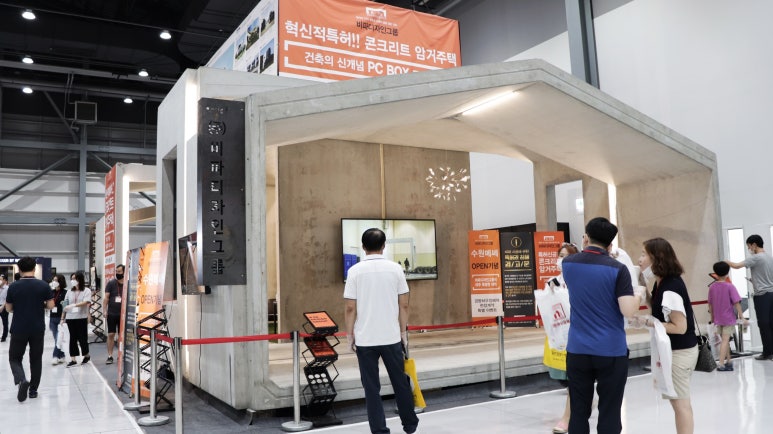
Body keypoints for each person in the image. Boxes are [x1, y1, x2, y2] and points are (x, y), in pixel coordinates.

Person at [561, 217, 642, 434]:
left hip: (578, 348)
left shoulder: (568, 264)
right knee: (610, 412)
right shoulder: (618, 269)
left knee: (579, 411)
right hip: (610, 350)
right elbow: (627, 310)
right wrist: (638, 295)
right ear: (611, 244)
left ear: (586, 238)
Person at [344, 228, 419, 434]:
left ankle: (379, 430)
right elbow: (404, 305)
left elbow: (350, 307)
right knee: (400, 382)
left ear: (363, 247)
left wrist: (349, 336)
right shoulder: (396, 269)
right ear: (384, 246)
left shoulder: (354, 271)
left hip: (365, 340)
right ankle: (410, 425)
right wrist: (402, 333)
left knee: (371, 388)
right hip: (391, 337)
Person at [638, 237, 698, 434]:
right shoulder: (661, 282)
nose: (640, 260)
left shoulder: (671, 287)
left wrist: (649, 322)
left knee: (681, 405)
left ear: (657, 258)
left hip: (680, 352)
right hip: (675, 351)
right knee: (678, 403)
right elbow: (657, 306)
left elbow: (679, 327)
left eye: (644, 255)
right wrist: (642, 286)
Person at [5, 257, 54, 402]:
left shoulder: (13, 286)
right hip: (37, 328)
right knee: (36, 359)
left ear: (19, 270)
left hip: (19, 327)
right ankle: (33, 390)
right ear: (34, 268)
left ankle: (21, 380)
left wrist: (18, 308)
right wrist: (40, 305)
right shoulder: (43, 285)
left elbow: (8, 308)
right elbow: (51, 305)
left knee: (14, 357)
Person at [545, 242, 578, 434]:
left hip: (577, 332)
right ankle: (584, 398)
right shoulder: (554, 280)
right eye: (560, 255)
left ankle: (567, 417)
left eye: (565, 256)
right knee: (563, 376)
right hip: (559, 334)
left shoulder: (580, 279)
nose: (561, 259)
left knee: (574, 376)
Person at [725, 234, 773, 360]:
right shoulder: (769, 257)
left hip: (762, 296)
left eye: (749, 246)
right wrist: (754, 281)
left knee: (763, 324)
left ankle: (767, 353)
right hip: (771, 294)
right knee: (771, 323)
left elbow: (736, 266)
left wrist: (726, 262)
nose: (749, 249)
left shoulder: (756, 258)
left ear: (754, 245)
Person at [708, 261, 748, 371]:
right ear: (727, 273)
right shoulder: (730, 286)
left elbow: (710, 305)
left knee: (724, 341)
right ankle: (721, 364)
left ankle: (729, 360)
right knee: (725, 341)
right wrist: (742, 317)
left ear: (715, 273)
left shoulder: (712, 287)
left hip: (718, 319)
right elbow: (737, 303)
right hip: (728, 319)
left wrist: (712, 319)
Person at [62, 271, 92, 367]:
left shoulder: (86, 290)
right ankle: (73, 359)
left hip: (81, 317)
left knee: (82, 338)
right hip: (70, 318)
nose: (72, 281)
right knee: (72, 338)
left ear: (80, 279)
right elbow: (65, 304)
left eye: (74, 279)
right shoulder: (69, 291)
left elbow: (86, 302)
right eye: (72, 279)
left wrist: (74, 305)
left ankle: (86, 355)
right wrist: (62, 317)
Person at [103, 264, 125, 364]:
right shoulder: (111, 283)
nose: (117, 273)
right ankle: (110, 355)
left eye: (119, 271)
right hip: (112, 313)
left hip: (123, 314)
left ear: (124, 272)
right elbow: (106, 298)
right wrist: (104, 310)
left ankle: (121, 355)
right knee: (111, 334)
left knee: (121, 335)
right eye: (116, 271)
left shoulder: (127, 284)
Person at [48, 274, 68, 364]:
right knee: (57, 339)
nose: (54, 282)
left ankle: (55, 356)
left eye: (56, 280)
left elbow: (65, 306)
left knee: (58, 338)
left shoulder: (65, 293)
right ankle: (62, 355)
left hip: (61, 318)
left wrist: (63, 318)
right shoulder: (51, 292)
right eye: (53, 280)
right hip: (52, 318)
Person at [0, 273, 9, 342]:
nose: (0, 281)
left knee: (5, 322)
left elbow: (8, 299)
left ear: (5, 281)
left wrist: (3, 306)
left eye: (1, 279)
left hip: (4, 306)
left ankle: (4, 336)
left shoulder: (7, 288)